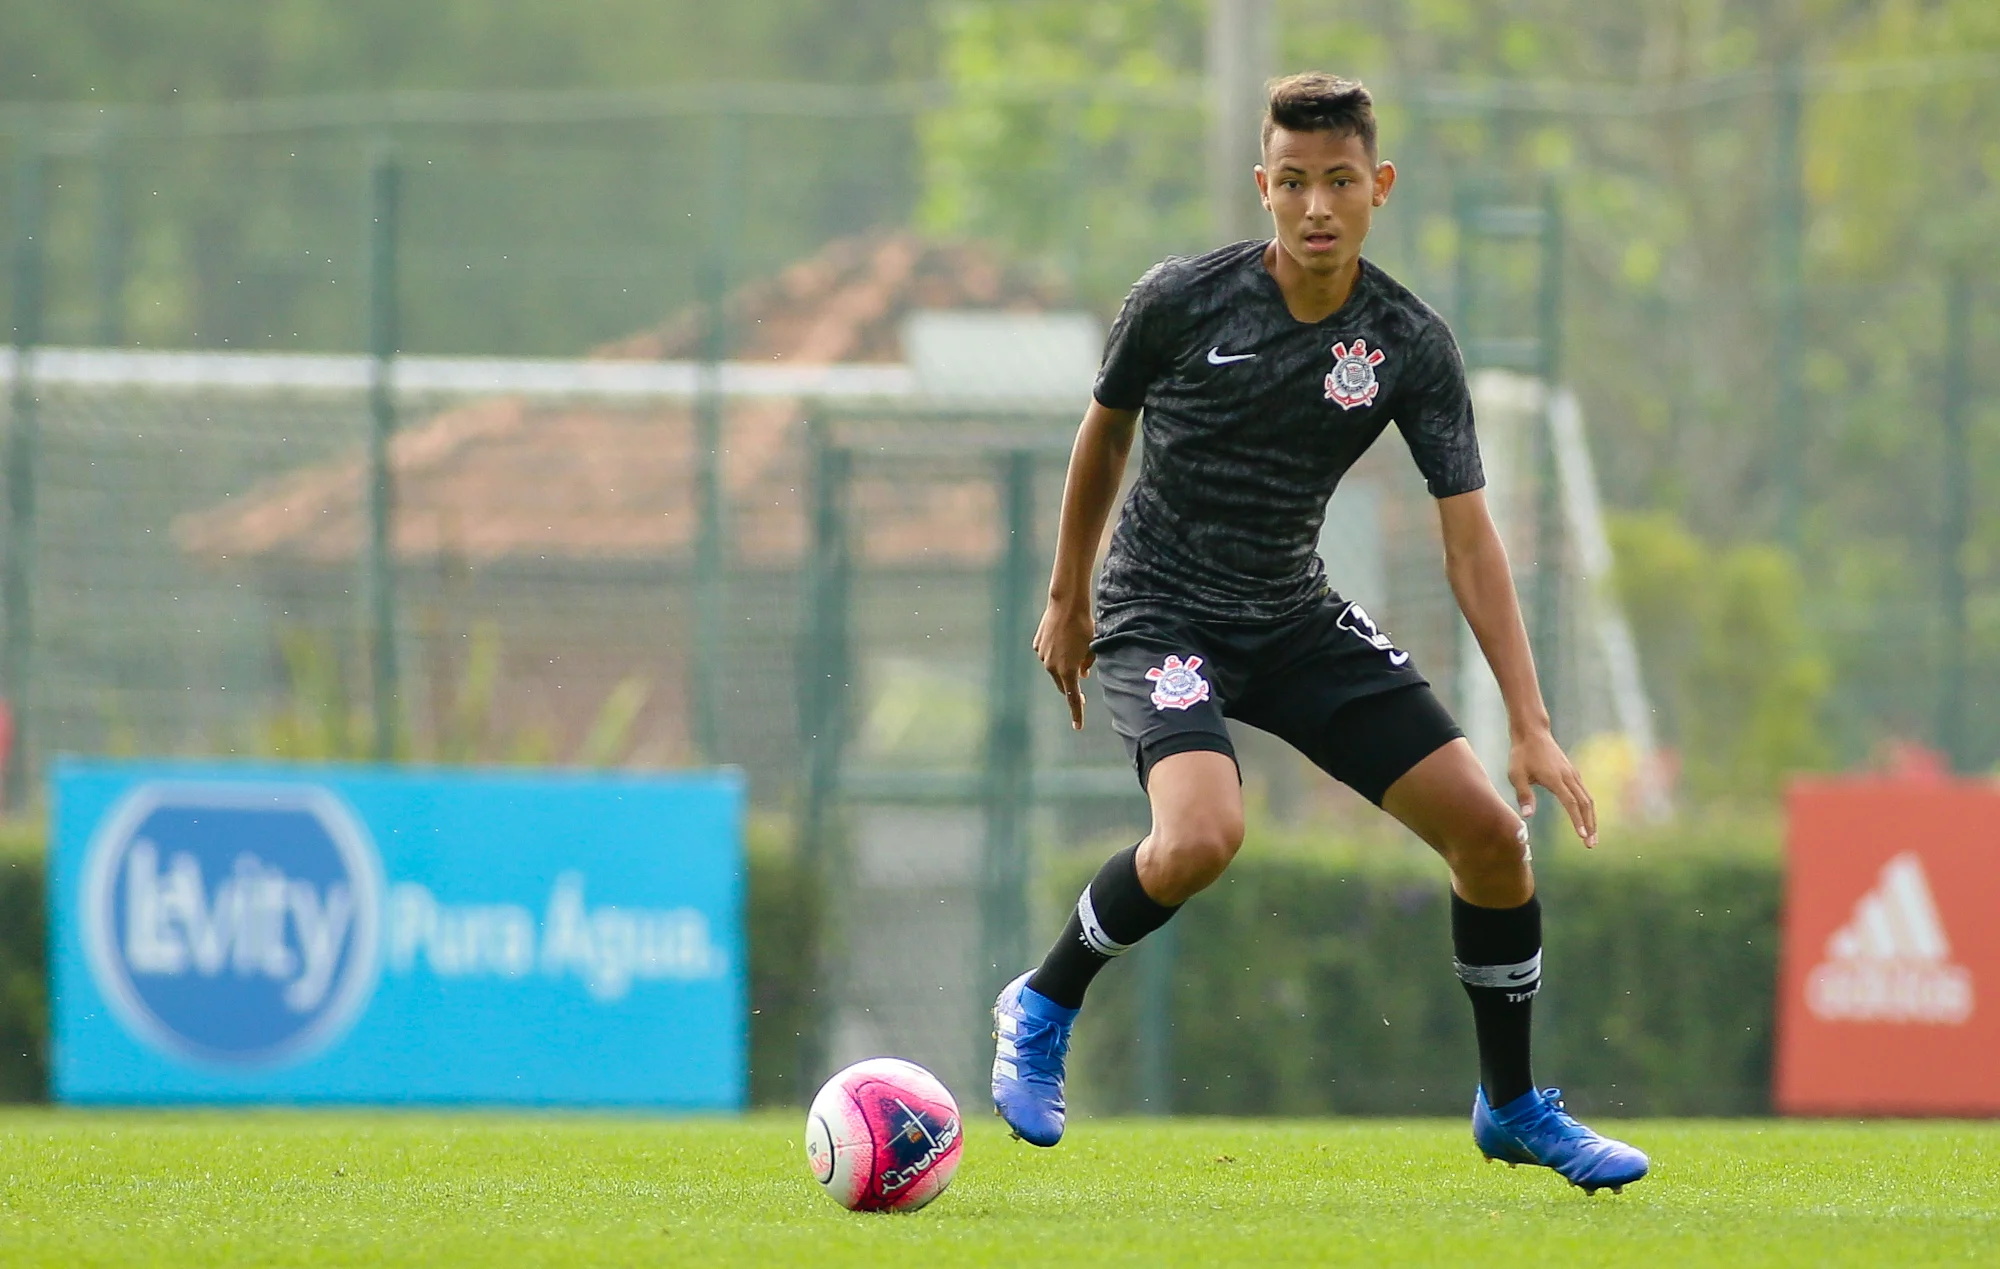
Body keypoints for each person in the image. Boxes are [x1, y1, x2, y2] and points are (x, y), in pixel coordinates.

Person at [989, 71, 1648, 1195]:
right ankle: (1042, 1002)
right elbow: (1102, 439)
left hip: (1293, 617)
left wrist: (1530, 724)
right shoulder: (1178, 301)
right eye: (1290, 183)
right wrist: (1067, 596)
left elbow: (1469, 545)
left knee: (1491, 838)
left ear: (1377, 186)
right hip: (1163, 609)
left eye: (1337, 181)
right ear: (1261, 187)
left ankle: (1511, 1105)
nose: (1314, 207)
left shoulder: (1405, 343)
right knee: (1200, 838)